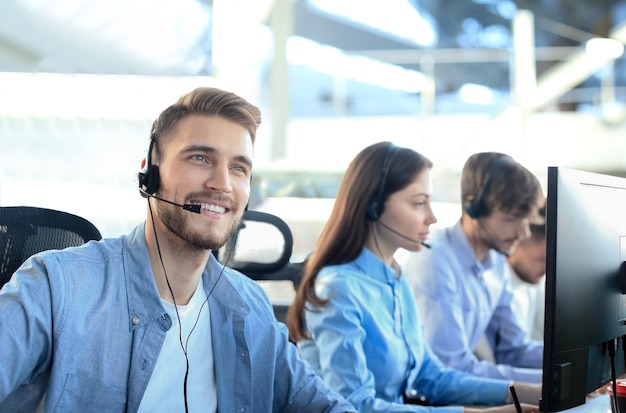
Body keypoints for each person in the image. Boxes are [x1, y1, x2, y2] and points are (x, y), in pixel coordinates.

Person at [0, 87, 356, 413]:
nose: (222, 184)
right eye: (200, 158)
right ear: (149, 175)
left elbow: (320, 404)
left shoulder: (250, 308)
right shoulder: (57, 287)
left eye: (238, 167)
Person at [286, 142, 540, 413]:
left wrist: (523, 391)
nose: (431, 217)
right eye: (419, 203)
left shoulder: (395, 278)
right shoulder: (339, 290)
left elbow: (430, 376)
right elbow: (356, 407)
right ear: (373, 205)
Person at [403, 152, 545, 384]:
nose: (524, 233)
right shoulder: (435, 260)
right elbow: (453, 369)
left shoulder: (496, 262)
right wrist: (551, 382)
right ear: (474, 206)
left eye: (526, 221)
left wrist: (574, 365)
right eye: (511, 219)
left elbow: (513, 350)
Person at [506, 214, 546, 342]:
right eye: (541, 260)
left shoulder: (535, 283)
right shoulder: (499, 287)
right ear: (514, 247)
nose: (546, 270)